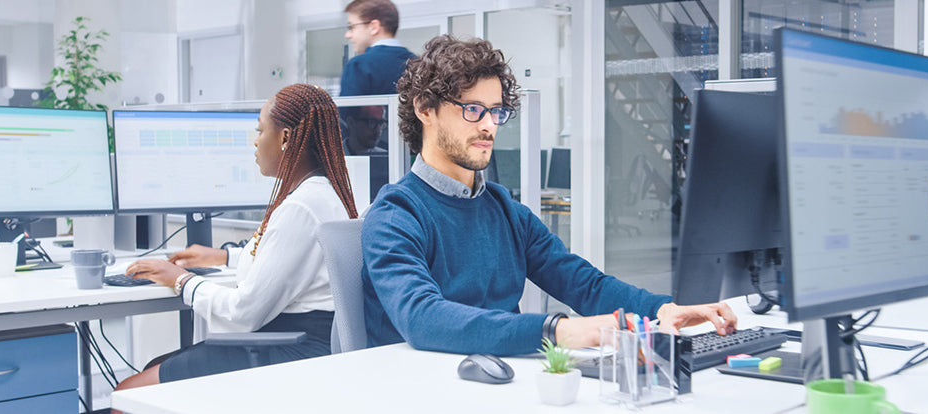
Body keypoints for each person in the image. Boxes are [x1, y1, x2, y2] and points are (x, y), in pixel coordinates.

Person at [361, 35, 738, 356]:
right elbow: (422, 318)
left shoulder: (504, 210)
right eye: (473, 109)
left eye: (496, 112)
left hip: (498, 379)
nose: (489, 125)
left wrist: (663, 309)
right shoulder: (396, 214)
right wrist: (558, 331)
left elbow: (583, 284)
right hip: (421, 388)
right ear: (425, 110)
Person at [113, 83, 359, 393]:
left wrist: (182, 281)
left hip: (291, 350)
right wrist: (223, 257)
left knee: (129, 391)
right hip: (306, 343)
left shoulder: (299, 207)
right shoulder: (322, 193)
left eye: (260, 131)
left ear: (284, 137)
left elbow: (244, 314)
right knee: (155, 369)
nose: (255, 142)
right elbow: (287, 261)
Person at [340, 0, 416, 97]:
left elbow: (347, 111)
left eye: (351, 27)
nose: (347, 35)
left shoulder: (358, 66)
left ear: (374, 27)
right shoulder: (418, 63)